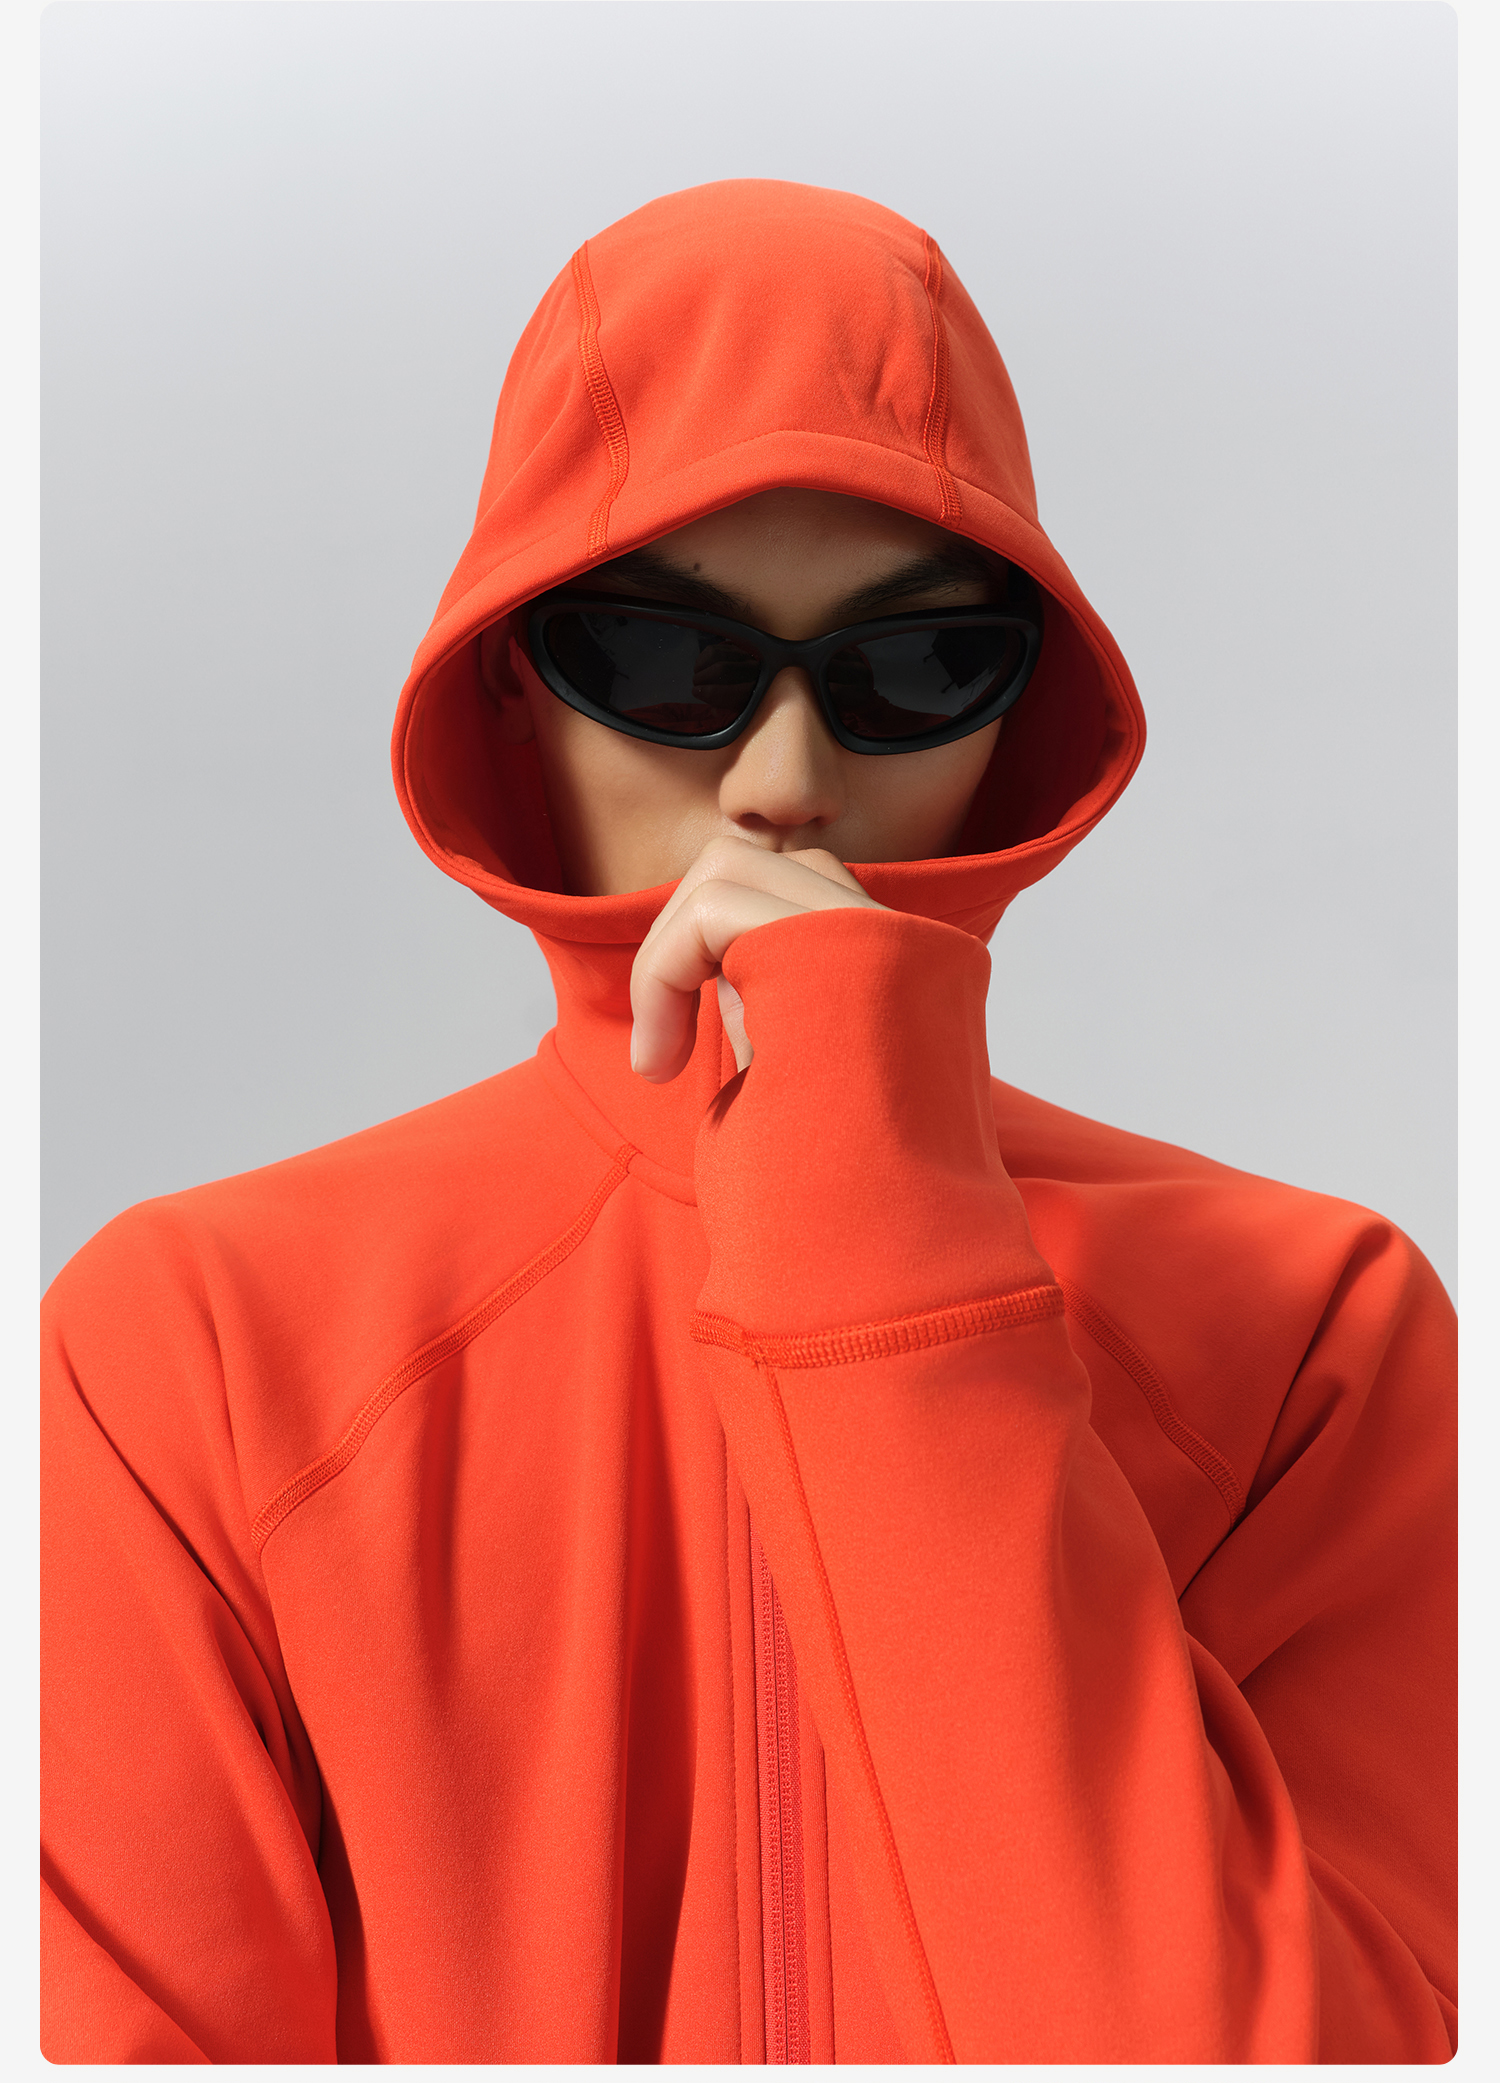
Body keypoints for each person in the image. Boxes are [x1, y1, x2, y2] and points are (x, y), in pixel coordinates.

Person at [40, 179, 1456, 2063]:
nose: (784, 782)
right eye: (663, 660)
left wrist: (878, 1225)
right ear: (513, 679)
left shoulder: (1313, 1336)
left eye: (917, 667)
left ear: (1020, 709)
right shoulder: (199, 1349)